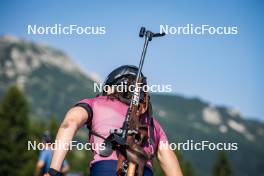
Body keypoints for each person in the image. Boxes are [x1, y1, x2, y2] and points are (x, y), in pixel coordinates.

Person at [48, 65, 183, 176]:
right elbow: (170, 164)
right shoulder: (152, 123)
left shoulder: (94, 103)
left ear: (112, 86)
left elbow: (69, 123)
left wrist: (53, 170)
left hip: (106, 169)